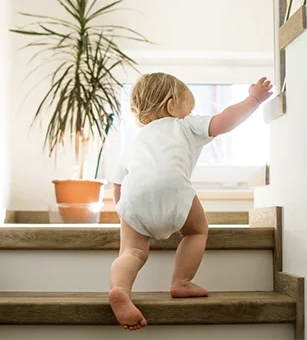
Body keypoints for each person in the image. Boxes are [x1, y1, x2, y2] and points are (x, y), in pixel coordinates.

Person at [108, 73, 274, 330]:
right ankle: (181, 282)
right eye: (189, 107)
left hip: (133, 195)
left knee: (132, 252)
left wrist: (123, 213)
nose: (191, 113)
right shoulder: (184, 125)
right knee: (197, 231)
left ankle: (120, 289)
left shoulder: (134, 142)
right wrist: (253, 99)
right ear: (171, 105)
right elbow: (224, 122)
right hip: (173, 187)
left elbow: (117, 184)